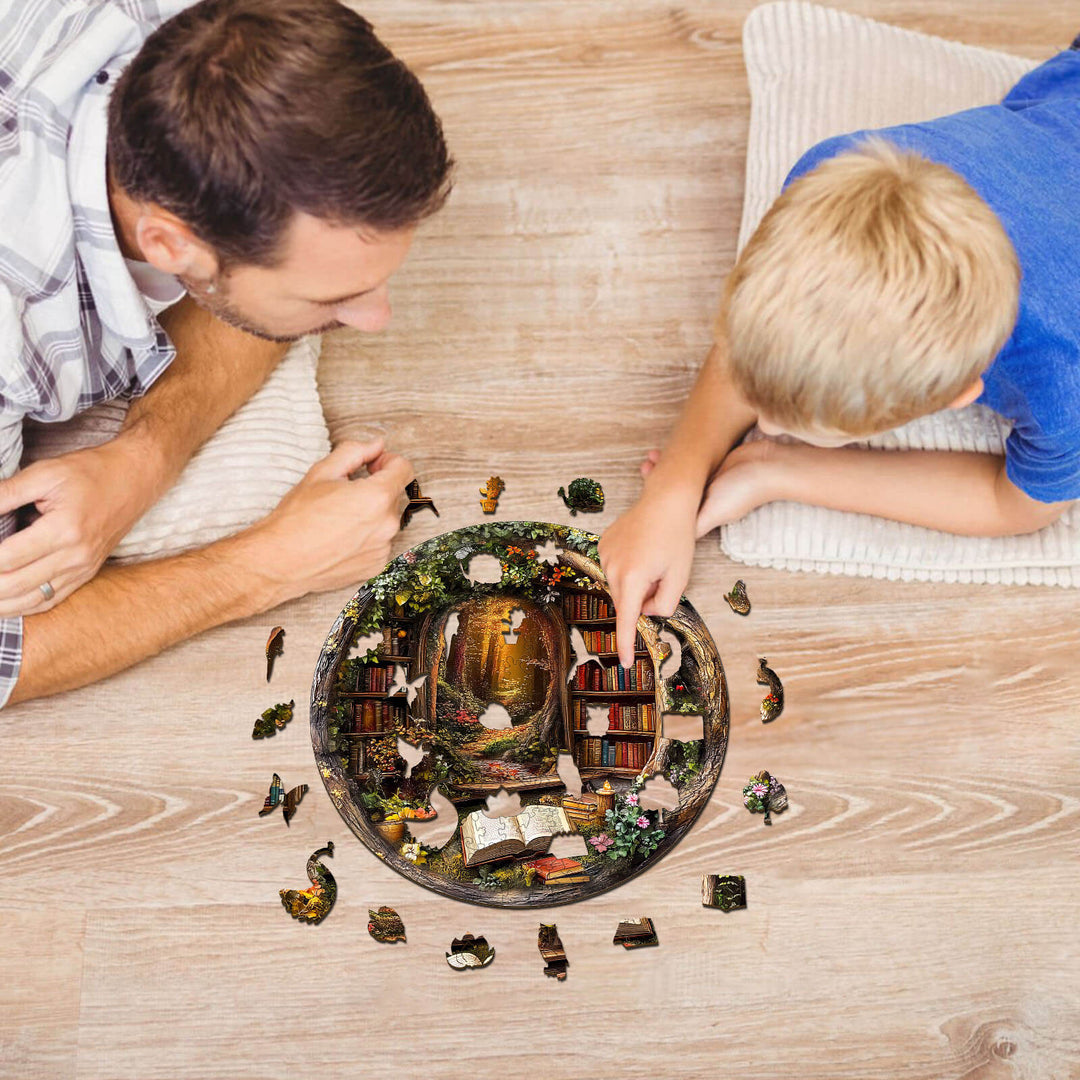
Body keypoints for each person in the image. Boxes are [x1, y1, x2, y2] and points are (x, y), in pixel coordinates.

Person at [0, 0, 452, 705]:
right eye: (328, 298)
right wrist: (271, 564)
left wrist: (140, 463)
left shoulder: (240, 32)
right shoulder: (10, 324)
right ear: (170, 245)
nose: (377, 319)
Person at [600, 44, 1080, 667]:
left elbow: (1016, 507)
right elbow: (756, 341)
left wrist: (781, 469)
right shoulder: (829, 170)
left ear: (956, 393)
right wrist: (671, 487)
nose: (762, 420)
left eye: (793, 426)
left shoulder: (1062, 380)